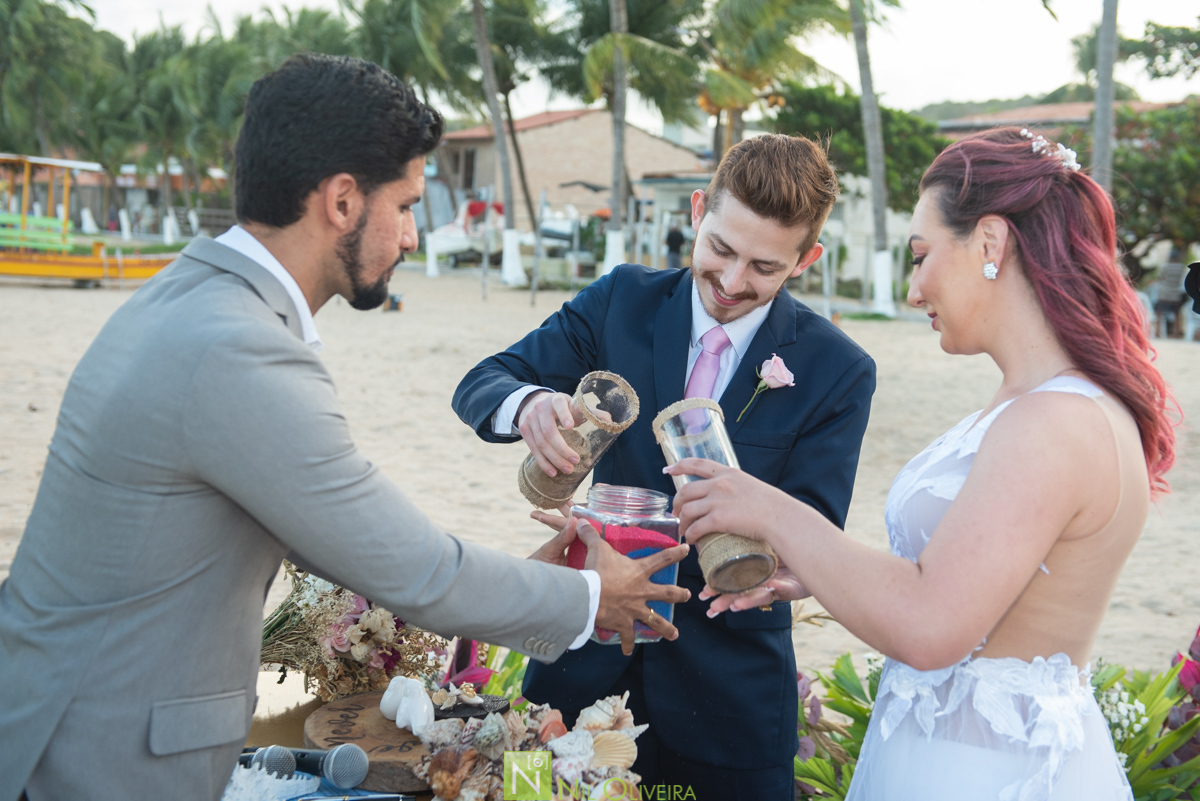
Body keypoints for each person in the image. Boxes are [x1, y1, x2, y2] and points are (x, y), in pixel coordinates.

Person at [0, 54, 689, 801]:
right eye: (406, 206)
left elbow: (346, 540)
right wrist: (588, 597)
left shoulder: (188, 299)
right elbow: (417, 571)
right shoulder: (240, 350)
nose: (412, 236)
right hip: (96, 754)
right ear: (341, 201)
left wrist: (526, 578)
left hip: (63, 719)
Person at [670, 127, 1177, 800]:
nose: (913, 291)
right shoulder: (1038, 403)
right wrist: (817, 567)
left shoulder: (1054, 422)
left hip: (984, 778)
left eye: (921, 255)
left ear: (990, 244)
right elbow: (951, 581)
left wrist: (768, 511)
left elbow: (930, 625)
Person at [453, 134, 876, 799]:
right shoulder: (620, 299)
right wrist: (529, 404)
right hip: (579, 667)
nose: (732, 283)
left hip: (730, 701)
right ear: (698, 211)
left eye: (764, 267)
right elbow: (484, 381)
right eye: (721, 249)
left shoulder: (840, 369)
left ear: (807, 259)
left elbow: (816, 523)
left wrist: (794, 573)